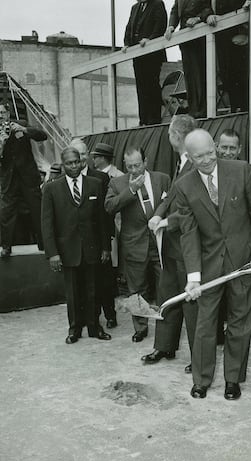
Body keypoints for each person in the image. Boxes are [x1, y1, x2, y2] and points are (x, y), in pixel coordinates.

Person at [175, 129, 251, 400]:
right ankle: (202, 379)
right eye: (199, 157)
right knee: (204, 324)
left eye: (209, 153)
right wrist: (194, 276)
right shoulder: (184, 186)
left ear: (215, 147)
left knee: (240, 324)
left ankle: (233, 379)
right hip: (208, 267)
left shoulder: (241, 171)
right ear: (189, 157)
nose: (206, 160)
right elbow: (189, 233)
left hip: (244, 263)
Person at [142, 114, 198, 370]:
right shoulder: (181, 163)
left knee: (191, 303)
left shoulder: (196, 164)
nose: (168, 137)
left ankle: (199, 356)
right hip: (171, 248)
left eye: (169, 133)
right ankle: (164, 346)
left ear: (176, 136)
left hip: (188, 246)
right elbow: (170, 196)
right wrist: (157, 213)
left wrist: (166, 222)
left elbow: (195, 208)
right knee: (167, 297)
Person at [41, 147, 112, 344]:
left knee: (93, 290)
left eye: (76, 162)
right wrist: (52, 254)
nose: (74, 166)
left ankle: (94, 327)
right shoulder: (51, 189)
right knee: (72, 292)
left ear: (82, 162)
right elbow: (46, 224)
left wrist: (106, 247)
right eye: (69, 163)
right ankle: (74, 329)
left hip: (92, 248)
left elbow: (103, 220)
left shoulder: (95, 185)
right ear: (62, 165)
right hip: (67, 250)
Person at [105, 147, 170, 342]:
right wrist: (131, 190)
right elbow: (109, 207)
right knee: (136, 289)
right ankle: (140, 328)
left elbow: (169, 201)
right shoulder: (118, 183)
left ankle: (165, 327)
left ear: (146, 162)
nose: (134, 170)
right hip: (134, 245)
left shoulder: (162, 179)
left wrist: (158, 215)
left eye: (137, 165)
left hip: (160, 242)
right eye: (129, 166)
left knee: (164, 286)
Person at [70, 138, 119, 328]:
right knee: (83, 284)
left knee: (105, 282)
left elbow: (106, 213)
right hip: (79, 243)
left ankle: (110, 315)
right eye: (76, 154)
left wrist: (107, 242)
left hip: (99, 241)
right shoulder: (63, 180)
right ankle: (89, 318)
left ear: (88, 155)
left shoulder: (101, 178)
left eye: (83, 154)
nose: (80, 158)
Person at [0, 101, 46, 258]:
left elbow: (42, 136)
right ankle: (6, 247)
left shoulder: (21, 124)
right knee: (6, 212)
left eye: (2, 113)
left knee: (37, 209)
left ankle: (43, 243)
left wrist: (25, 130)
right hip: (9, 179)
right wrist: (2, 142)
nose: (1, 116)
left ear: (8, 113)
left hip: (28, 177)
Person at [164, 0, 215, 118]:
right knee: (190, 75)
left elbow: (208, 8)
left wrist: (198, 18)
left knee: (200, 75)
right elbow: (175, 10)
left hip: (199, 38)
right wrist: (171, 26)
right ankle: (193, 110)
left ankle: (202, 111)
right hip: (186, 39)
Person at [123, 0, 167, 125]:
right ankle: (143, 119)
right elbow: (129, 28)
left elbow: (160, 26)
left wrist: (150, 39)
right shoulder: (135, 8)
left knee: (151, 85)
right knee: (140, 87)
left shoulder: (157, 4)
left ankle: (153, 119)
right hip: (138, 56)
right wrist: (127, 44)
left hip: (152, 54)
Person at [215, 0, 249, 112]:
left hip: (239, 30)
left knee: (240, 72)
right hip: (222, 35)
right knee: (226, 73)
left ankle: (244, 107)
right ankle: (235, 107)